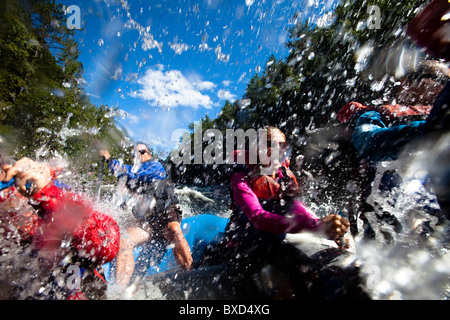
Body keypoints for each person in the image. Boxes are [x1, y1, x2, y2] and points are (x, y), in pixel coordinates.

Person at [201, 127, 353, 299]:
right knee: (277, 279)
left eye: (283, 145)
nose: (278, 150)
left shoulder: (284, 177)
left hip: (274, 246)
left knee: (309, 274)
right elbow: (258, 218)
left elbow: (297, 210)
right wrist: (315, 227)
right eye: (271, 145)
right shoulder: (241, 178)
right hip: (245, 249)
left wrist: (326, 229)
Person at [335, 60, 450, 242]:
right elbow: (368, 144)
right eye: (441, 80)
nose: (445, 88)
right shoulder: (382, 115)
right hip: (388, 223)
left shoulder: (438, 120)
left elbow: (369, 142)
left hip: (429, 223)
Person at [0, 157, 120, 299]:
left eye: (12, 194)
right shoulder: (8, 245)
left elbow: (107, 243)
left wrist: (46, 198)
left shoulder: (52, 220)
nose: (11, 205)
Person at [100, 143, 192, 295]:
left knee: (174, 230)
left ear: (149, 154)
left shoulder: (155, 166)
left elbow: (129, 171)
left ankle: (189, 272)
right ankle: (119, 291)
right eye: (135, 154)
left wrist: (109, 159)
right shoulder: (130, 176)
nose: (139, 156)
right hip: (148, 222)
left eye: (142, 152)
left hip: (166, 214)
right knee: (124, 240)